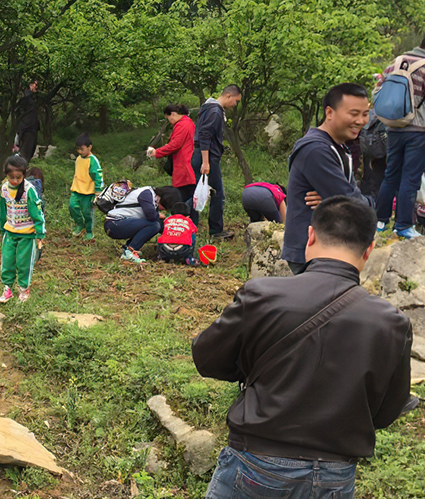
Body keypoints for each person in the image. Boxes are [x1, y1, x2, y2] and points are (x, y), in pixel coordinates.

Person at [193, 196, 411, 498]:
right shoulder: (392, 323)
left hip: (257, 461)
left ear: (310, 236)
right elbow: (387, 411)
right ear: (369, 250)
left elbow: (207, 359)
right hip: (335, 474)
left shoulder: (261, 294)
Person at [282, 84, 375, 274]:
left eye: (365, 114)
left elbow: (349, 199)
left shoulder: (339, 147)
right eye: (354, 113)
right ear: (330, 112)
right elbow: (356, 206)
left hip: (329, 248)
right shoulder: (316, 150)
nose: (361, 121)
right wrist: (344, 203)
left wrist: (334, 201)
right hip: (310, 252)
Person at [374, 35, 425, 239]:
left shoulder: (395, 62)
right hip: (418, 130)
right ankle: (403, 225)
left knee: (390, 175)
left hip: (393, 127)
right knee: (410, 178)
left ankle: (380, 221)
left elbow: (378, 91)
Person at [191, 86, 242, 238]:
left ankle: (189, 226)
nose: (235, 105)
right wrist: (206, 162)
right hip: (207, 157)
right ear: (228, 96)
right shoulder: (214, 111)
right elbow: (205, 136)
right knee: (216, 193)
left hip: (202, 155)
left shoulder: (209, 107)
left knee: (197, 192)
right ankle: (216, 230)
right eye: (235, 101)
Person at [0, 155, 46, 303]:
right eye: (11, 177)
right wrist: (2, 226)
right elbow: (2, 210)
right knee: (7, 261)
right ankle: (7, 289)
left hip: (27, 234)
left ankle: (24, 289)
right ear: (6, 174)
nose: (14, 181)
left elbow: (37, 213)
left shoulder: (29, 190)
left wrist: (40, 232)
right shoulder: (4, 188)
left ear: (24, 175)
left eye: (18, 177)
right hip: (10, 232)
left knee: (23, 263)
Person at [104, 185, 182, 264]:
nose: (163, 209)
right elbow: (151, 216)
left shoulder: (150, 195)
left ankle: (127, 248)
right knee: (154, 225)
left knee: (157, 224)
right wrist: (158, 215)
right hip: (114, 224)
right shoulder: (146, 194)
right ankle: (130, 252)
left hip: (121, 223)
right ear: (161, 199)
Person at [148, 104, 196, 204]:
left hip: (184, 166)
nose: (169, 121)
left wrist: (157, 152)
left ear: (173, 114)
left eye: (168, 118)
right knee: (188, 197)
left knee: (181, 198)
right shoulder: (187, 123)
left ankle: (182, 217)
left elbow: (174, 145)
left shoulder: (182, 125)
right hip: (186, 165)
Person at [69, 133, 103, 241]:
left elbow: (98, 176)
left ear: (89, 147)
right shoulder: (79, 159)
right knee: (72, 206)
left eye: (82, 149)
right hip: (76, 190)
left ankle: (89, 231)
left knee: (87, 213)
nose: (80, 151)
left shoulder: (93, 161)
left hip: (88, 192)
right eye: (78, 149)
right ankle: (80, 224)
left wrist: (98, 192)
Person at [14, 80, 40, 162]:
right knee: (25, 153)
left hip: (30, 127)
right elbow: (20, 111)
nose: (36, 87)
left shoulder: (32, 97)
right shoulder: (26, 97)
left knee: (28, 152)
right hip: (27, 128)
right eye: (34, 84)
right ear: (29, 85)